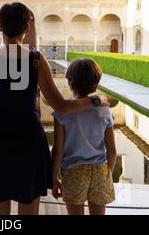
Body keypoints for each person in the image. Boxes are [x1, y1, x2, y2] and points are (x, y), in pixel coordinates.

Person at [0, 3, 108, 215]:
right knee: (29, 206)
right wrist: (94, 101)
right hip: (29, 137)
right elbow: (61, 106)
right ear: (26, 28)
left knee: (0, 209)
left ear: (0, 26)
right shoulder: (36, 60)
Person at [51, 58, 117, 215]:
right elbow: (112, 151)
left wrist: (53, 179)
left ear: (70, 82)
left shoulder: (62, 113)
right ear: (96, 83)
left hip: (74, 172)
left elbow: (57, 151)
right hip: (100, 170)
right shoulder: (104, 111)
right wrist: (107, 172)